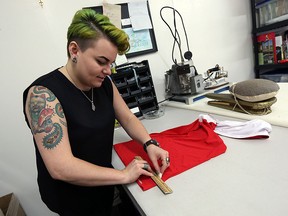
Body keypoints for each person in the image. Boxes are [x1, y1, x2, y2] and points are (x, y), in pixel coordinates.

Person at [23, 9, 170, 216]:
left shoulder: (104, 84)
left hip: (105, 188)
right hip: (72, 201)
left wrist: (149, 143)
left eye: (111, 63)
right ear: (74, 50)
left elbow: (127, 117)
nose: (108, 70)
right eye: (101, 62)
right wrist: (123, 175)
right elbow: (61, 167)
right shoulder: (42, 95)